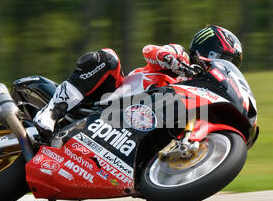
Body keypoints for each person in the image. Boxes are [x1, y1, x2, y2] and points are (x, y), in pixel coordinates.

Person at [34, 25, 245, 136]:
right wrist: (171, 60)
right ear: (208, 48)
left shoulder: (202, 91)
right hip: (108, 99)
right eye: (224, 59)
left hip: (130, 124)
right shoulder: (180, 56)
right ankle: (52, 112)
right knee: (108, 58)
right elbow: (149, 50)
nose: (224, 65)